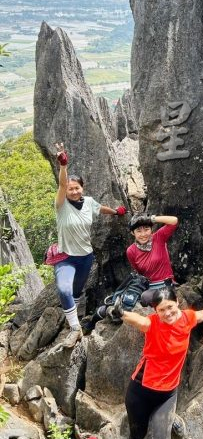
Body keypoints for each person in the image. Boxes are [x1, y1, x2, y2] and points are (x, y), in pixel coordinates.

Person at [118, 284, 203, 439]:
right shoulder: (152, 323)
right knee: (136, 438)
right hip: (141, 390)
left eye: (170, 307)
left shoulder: (186, 318)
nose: (167, 313)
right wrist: (122, 313)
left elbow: (202, 314)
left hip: (167, 394)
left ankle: (171, 419)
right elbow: (139, 320)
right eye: (161, 310)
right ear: (156, 311)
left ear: (178, 302)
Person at [53, 142, 126, 347]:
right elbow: (61, 185)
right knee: (64, 289)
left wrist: (115, 212)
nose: (74, 192)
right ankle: (75, 329)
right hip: (66, 256)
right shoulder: (61, 205)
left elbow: (99, 208)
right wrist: (63, 166)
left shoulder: (88, 202)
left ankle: (72, 321)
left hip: (86, 256)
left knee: (76, 292)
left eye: (77, 188)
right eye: (70, 189)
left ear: (82, 188)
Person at [83, 213, 179, 332]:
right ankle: (95, 319)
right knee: (123, 300)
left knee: (145, 297)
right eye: (139, 230)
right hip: (146, 285)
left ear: (151, 229)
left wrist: (151, 219)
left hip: (165, 285)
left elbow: (174, 220)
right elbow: (139, 272)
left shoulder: (158, 237)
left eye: (146, 229)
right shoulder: (131, 251)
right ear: (132, 233)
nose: (143, 234)